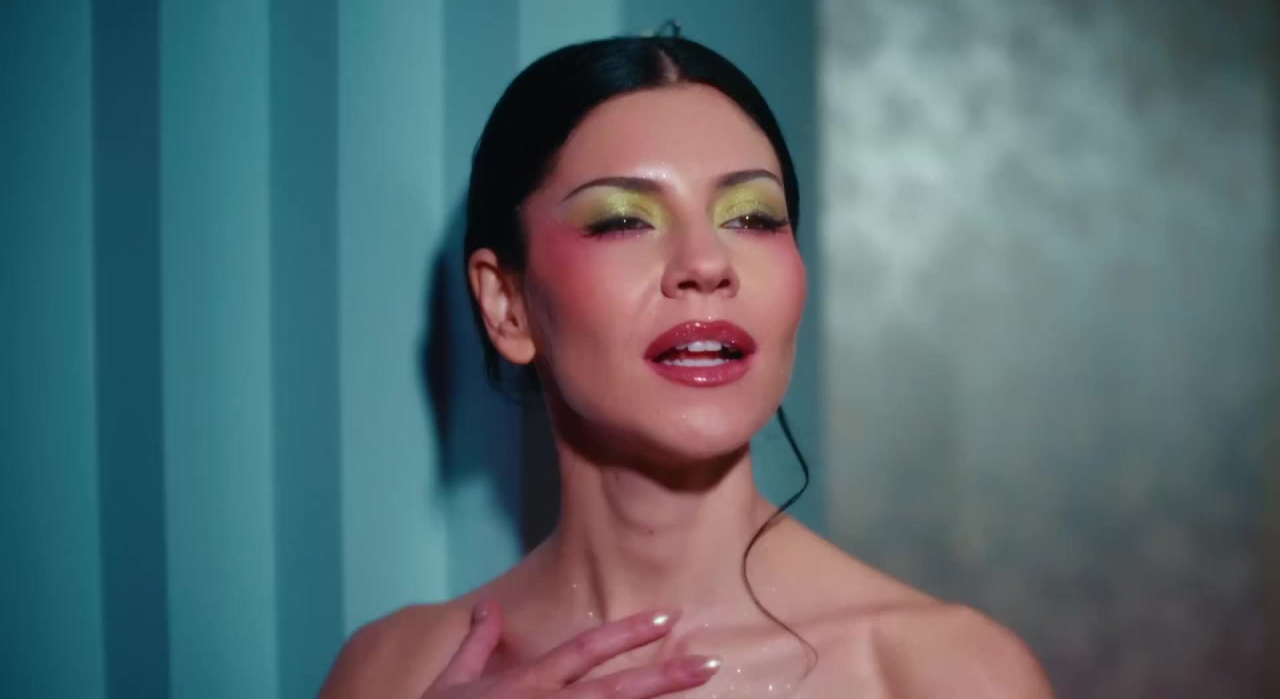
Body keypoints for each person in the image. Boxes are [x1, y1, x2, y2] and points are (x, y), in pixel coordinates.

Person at [319, 35, 1053, 698]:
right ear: (507, 304)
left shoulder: (943, 674)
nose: (706, 262)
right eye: (622, 220)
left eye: (753, 217)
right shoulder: (395, 674)